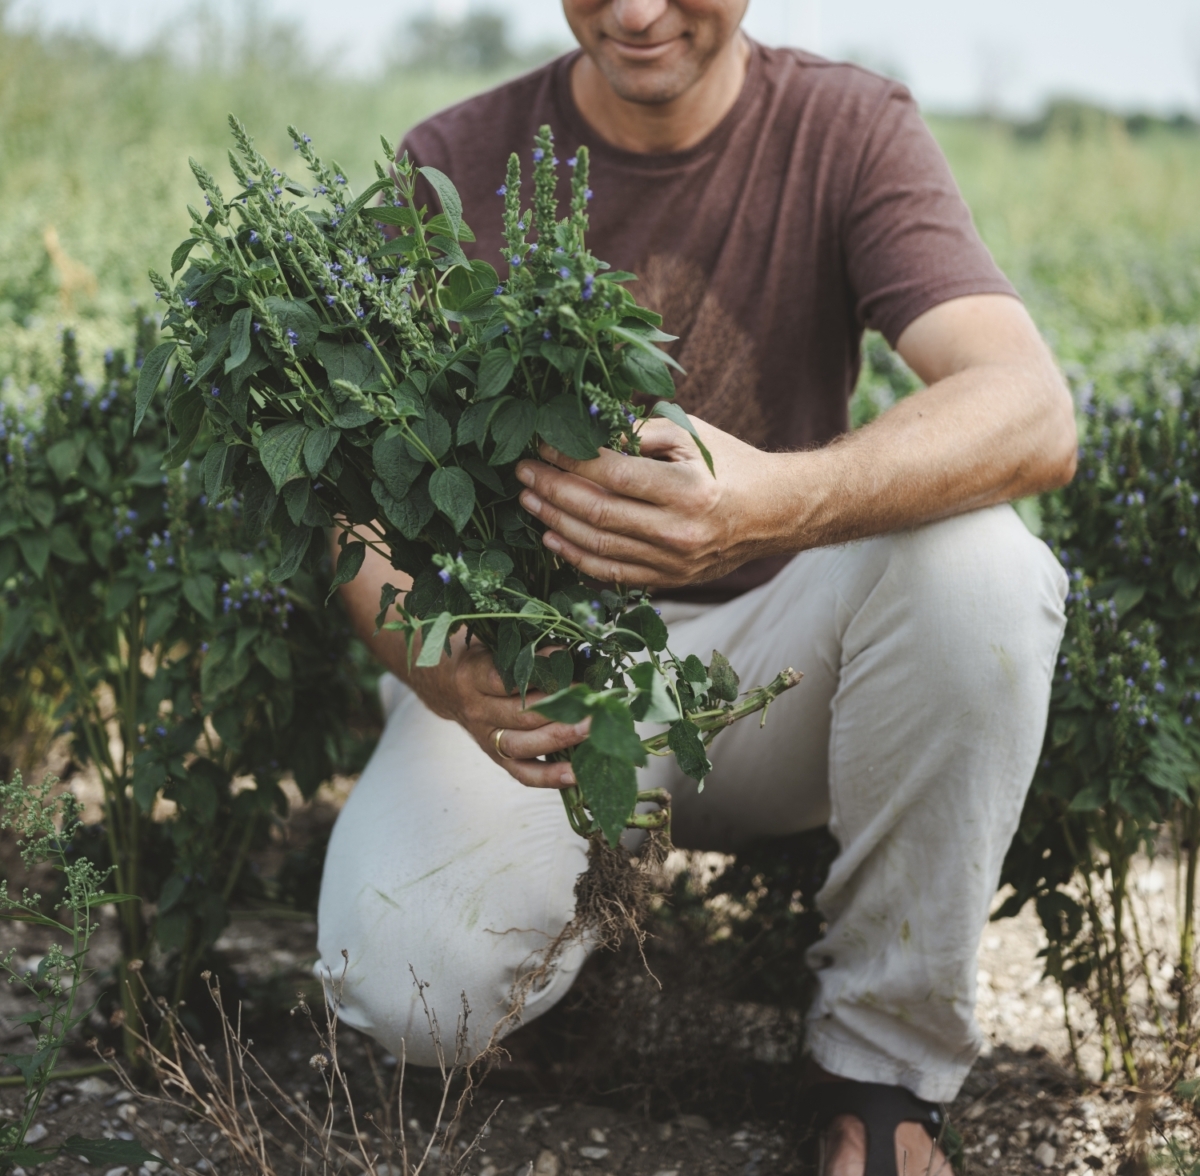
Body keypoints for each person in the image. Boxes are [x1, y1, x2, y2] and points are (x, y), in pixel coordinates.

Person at [316, 1, 1077, 1172]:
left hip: (781, 665)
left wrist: (771, 502)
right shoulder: (453, 161)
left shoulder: (845, 127)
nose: (634, 12)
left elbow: (1029, 407)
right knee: (413, 986)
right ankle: (565, 950)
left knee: (986, 570)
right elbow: (350, 502)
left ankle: (879, 1074)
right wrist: (447, 673)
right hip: (543, 681)